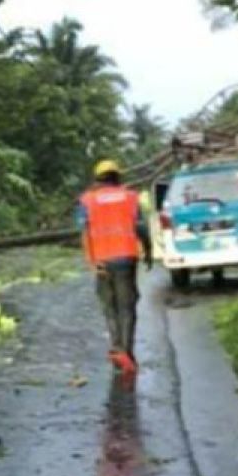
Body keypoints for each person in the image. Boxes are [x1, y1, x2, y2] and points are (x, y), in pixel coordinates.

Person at [76, 160, 152, 376]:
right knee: (127, 307)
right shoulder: (130, 197)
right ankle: (126, 352)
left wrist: (91, 261)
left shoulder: (87, 200)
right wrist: (149, 249)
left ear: (98, 179)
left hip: (102, 261)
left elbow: (84, 231)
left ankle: (117, 348)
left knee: (109, 307)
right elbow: (140, 226)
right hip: (126, 258)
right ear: (118, 177)